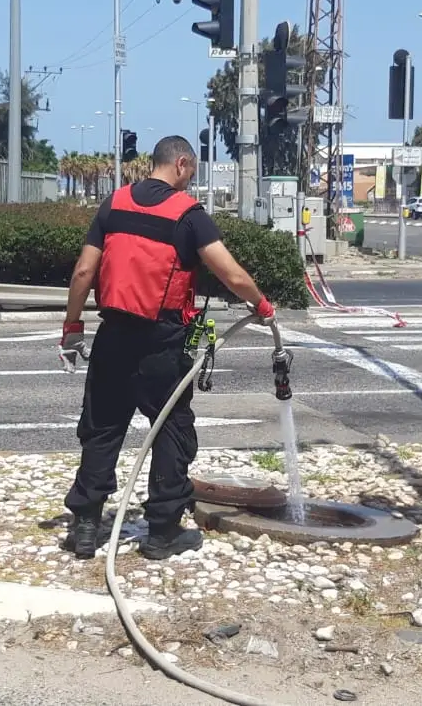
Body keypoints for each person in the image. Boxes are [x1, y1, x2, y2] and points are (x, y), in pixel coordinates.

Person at [58, 135, 276, 560]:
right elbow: (231, 274)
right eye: (191, 173)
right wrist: (262, 305)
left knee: (102, 429)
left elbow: (84, 270)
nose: (190, 183)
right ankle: (161, 532)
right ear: (180, 164)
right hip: (162, 342)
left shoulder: (113, 204)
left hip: (113, 336)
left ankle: (85, 527)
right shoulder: (189, 215)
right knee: (171, 429)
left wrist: (72, 326)